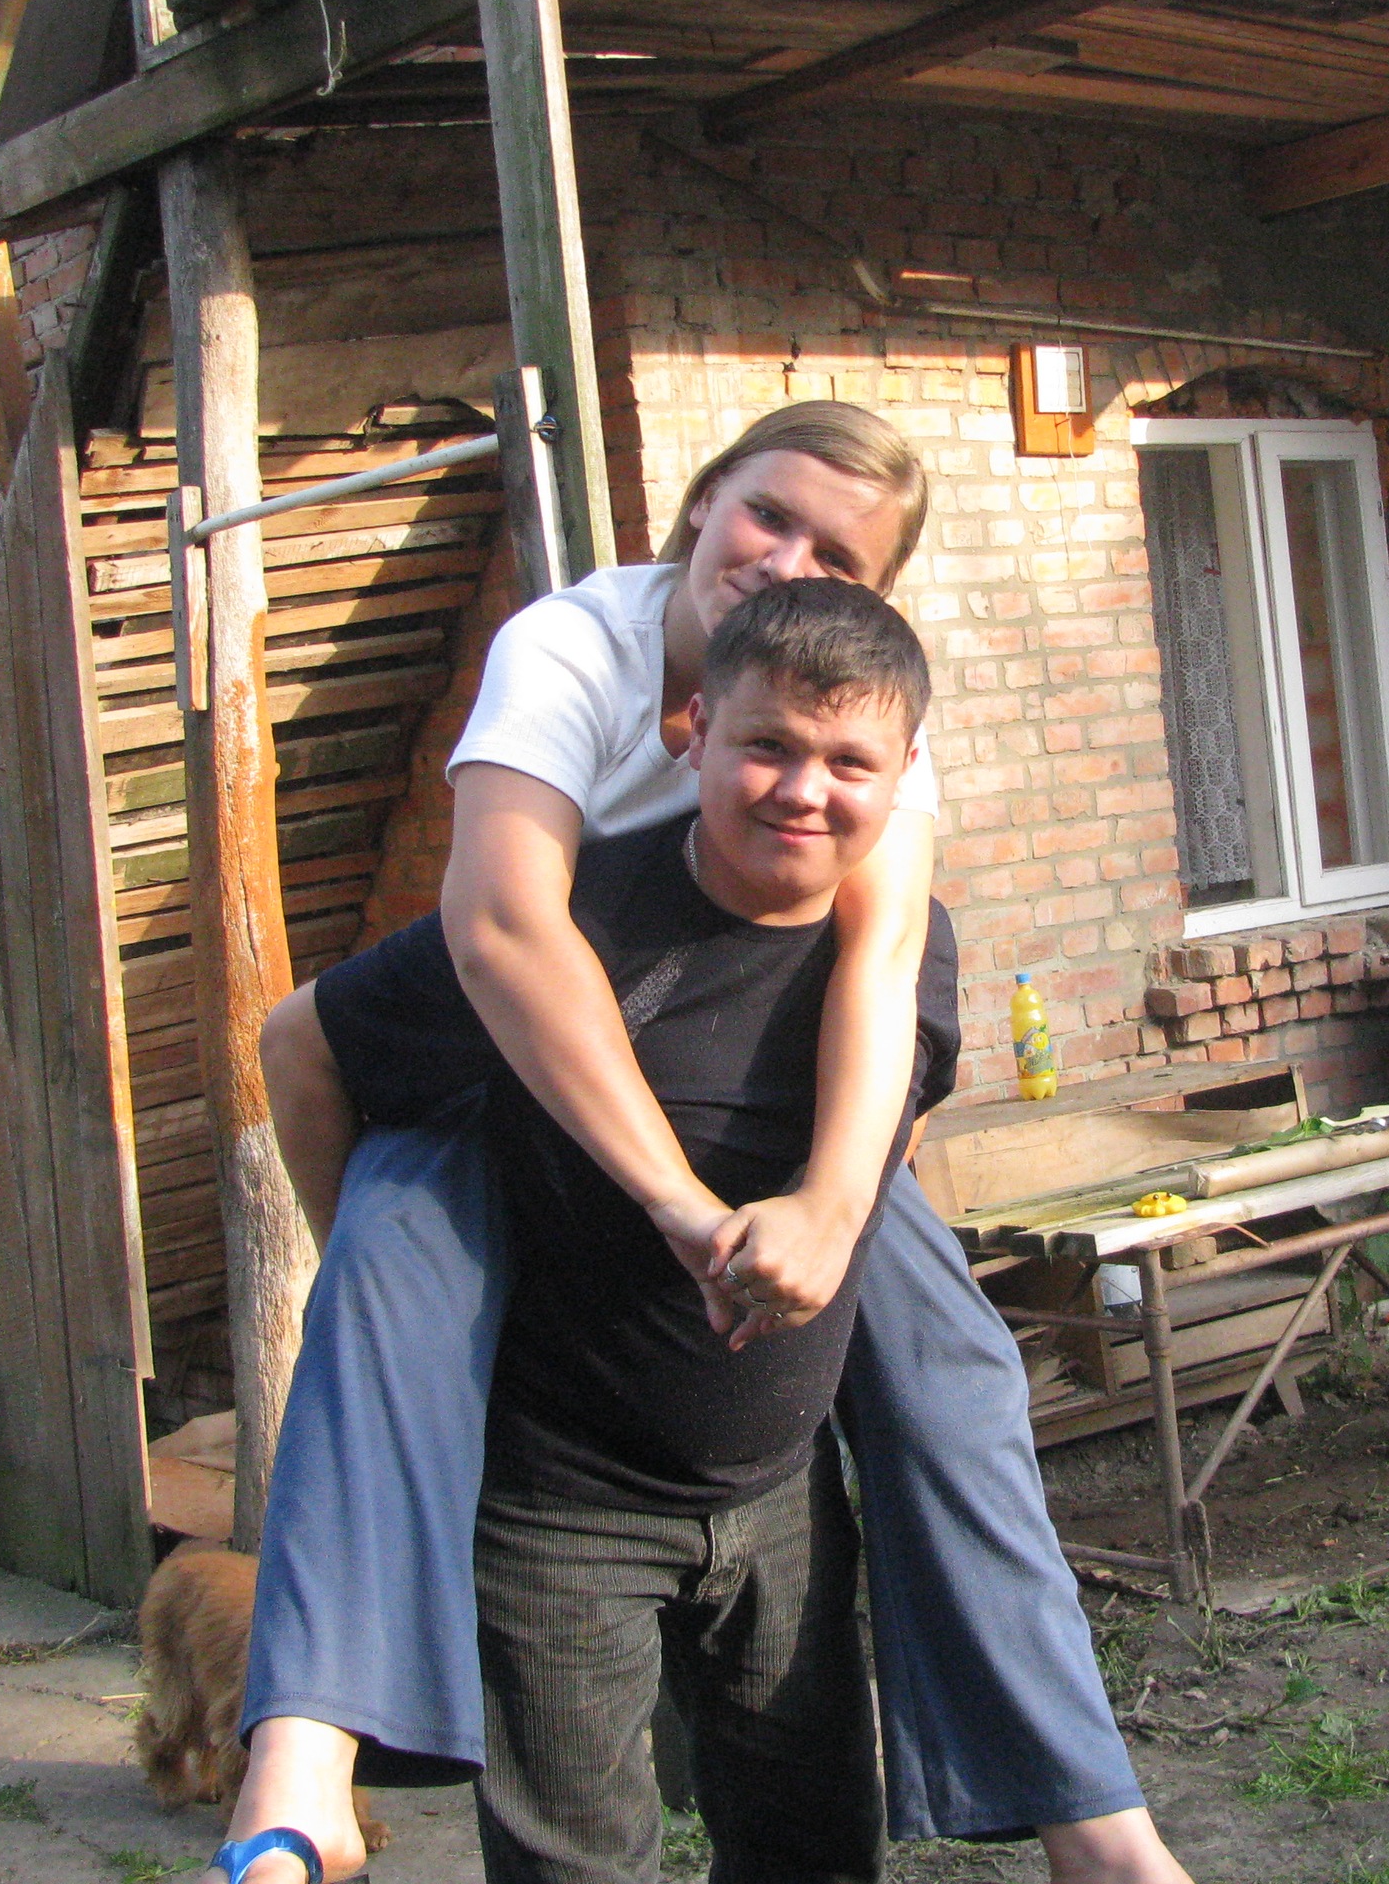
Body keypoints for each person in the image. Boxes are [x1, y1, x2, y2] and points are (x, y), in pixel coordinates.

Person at [213, 405, 1184, 1884]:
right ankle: (304, 1754)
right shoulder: (573, 646)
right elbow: (501, 931)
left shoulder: (859, 702)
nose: (786, 562)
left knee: (951, 1361)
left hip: (745, 1075)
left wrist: (833, 1204)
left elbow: (881, 958)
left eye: (838, 555)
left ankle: (1092, 1820)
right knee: (392, 1280)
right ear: (699, 501)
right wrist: (598, 1243)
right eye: (768, 514)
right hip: (516, 1037)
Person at [330, 583, 951, 1884]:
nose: (804, 791)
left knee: (816, 1857)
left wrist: (821, 1215)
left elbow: (898, 1137)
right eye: (769, 745)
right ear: (693, 732)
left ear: (904, 780)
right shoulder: (561, 930)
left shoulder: (903, 954)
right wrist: (400, 1317)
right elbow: (309, 1049)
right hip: (558, 1514)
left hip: (783, 1497)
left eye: (850, 763)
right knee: (578, 1870)